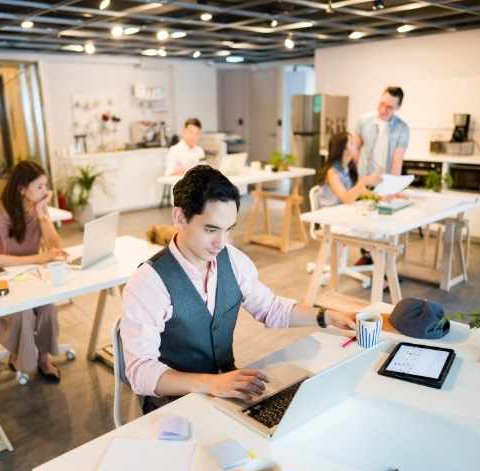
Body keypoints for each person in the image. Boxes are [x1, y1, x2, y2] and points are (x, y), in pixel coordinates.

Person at [120, 165, 359, 413]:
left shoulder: (232, 259)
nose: (220, 243)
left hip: (226, 392)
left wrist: (326, 316)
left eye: (229, 230)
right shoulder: (148, 283)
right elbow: (140, 372)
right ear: (179, 217)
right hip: (173, 408)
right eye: (210, 230)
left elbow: (271, 308)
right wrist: (212, 384)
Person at [0, 161, 66, 384]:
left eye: (45, 186)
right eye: (39, 187)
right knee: (24, 313)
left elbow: (56, 247)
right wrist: (38, 258)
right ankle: (23, 359)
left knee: (47, 307)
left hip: (31, 278)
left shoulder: (37, 207)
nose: (45, 192)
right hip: (5, 281)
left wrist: (42, 215)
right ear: (22, 188)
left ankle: (43, 359)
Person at [352, 86, 409, 178]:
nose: (383, 110)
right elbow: (353, 148)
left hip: (384, 182)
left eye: (389, 107)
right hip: (362, 180)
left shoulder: (402, 129)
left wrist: (393, 187)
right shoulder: (363, 120)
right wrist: (360, 168)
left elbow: (397, 162)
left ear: (398, 107)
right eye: (381, 103)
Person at [318, 132, 382, 208]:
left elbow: (360, 193)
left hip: (342, 213)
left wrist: (384, 197)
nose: (356, 146)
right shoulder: (332, 172)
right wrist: (363, 182)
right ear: (344, 150)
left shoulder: (348, 169)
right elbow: (346, 199)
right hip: (328, 216)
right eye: (352, 143)